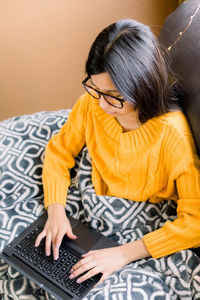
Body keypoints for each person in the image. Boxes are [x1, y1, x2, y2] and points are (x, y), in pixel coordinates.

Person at [35, 19, 200, 285]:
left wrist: (123, 254)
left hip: (136, 232)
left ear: (143, 85)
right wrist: (56, 212)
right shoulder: (91, 105)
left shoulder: (174, 137)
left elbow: (195, 221)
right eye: (95, 89)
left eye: (113, 95)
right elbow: (58, 152)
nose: (101, 104)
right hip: (87, 207)